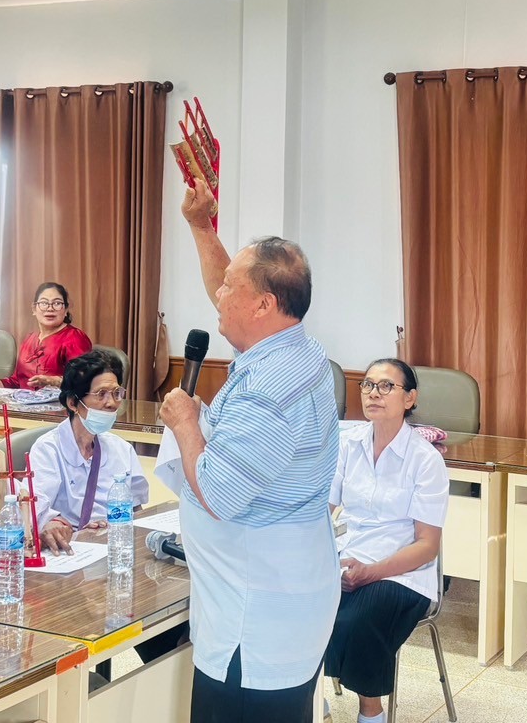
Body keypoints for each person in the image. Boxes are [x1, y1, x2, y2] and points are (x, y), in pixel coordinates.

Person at [159, 181, 340, 722]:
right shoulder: (292, 346)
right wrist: (200, 227)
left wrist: (186, 424)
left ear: (264, 304)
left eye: (229, 288)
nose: (218, 294)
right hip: (281, 598)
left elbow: (217, 494)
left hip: (253, 621)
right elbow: (230, 288)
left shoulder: (268, 388)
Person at [323, 359, 448, 723]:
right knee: (296, 604)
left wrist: (372, 572)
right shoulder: (348, 445)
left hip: (404, 572)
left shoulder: (425, 460)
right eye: (367, 385)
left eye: (386, 386)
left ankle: (370, 713)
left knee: (358, 619)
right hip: (350, 560)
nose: (373, 393)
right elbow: (322, 512)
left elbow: (427, 545)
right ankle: (312, 702)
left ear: (410, 399)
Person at [30, 349, 150, 554]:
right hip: (66, 552)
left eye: (116, 393)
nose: (111, 403)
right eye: (101, 394)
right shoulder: (47, 450)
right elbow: (36, 511)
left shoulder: (122, 449)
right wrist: (58, 526)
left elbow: (136, 511)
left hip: (112, 548)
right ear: (73, 403)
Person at [2, 282, 92, 389]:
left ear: (66, 310)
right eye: (44, 303)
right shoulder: (30, 339)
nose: (50, 308)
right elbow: (16, 382)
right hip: (23, 399)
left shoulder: (75, 338)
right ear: (34, 309)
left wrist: (54, 381)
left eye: (57, 303)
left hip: (59, 399)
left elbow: (85, 380)